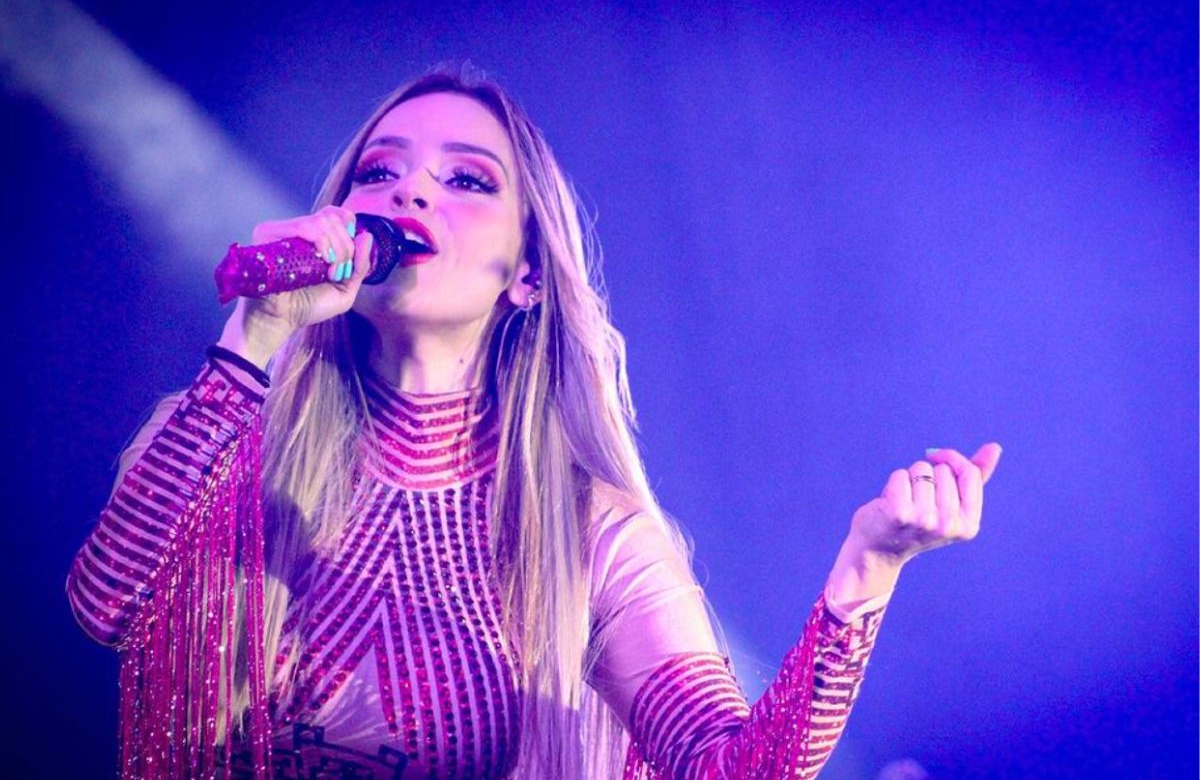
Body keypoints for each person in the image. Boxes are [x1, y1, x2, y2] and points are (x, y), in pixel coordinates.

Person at [66, 67, 1002, 780]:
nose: (410, 194)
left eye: (466, 180)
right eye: (379, 171)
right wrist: (254, 333)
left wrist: (866, 572)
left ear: (526, 275)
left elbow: (732, 770)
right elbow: (102, 607)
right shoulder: (219, 440)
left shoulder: (591, 535)